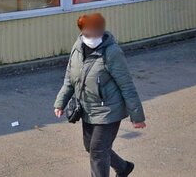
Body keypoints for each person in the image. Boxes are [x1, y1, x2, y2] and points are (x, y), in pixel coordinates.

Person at [54, 13, 146, 177]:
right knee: (91, 147)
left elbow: (127, 85)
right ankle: (123, 168)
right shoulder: (77, 48)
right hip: (87, 109)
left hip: (109, 111)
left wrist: (137, 116)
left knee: (97, 152)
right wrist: (60, 102)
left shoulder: (112, 52)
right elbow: (70, 78)